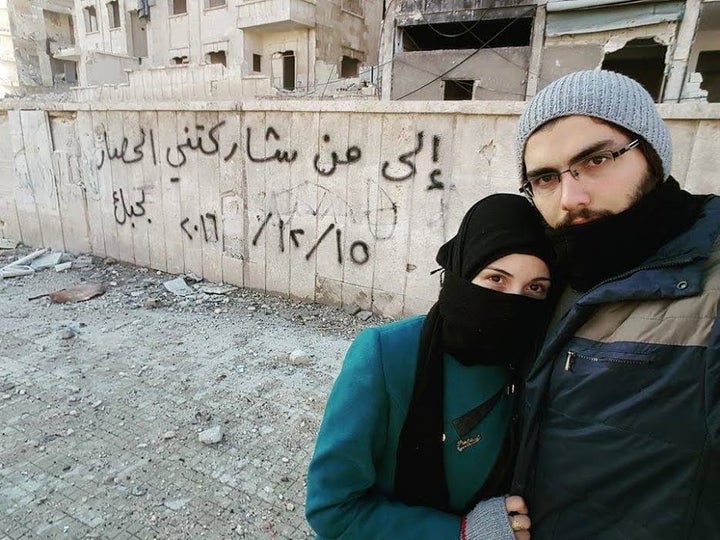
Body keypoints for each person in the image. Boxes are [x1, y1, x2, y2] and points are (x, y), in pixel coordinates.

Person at [512, 69, 720, 539]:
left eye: (598, 159)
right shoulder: (553, 273)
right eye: (545, 178)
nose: (572, 197)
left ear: (651, 154)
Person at [306, 194, 556, 539]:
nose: (512, 303)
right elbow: (332, 509)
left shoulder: (531, 363)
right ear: (461, 273)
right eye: (496, 279)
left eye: (535, 288)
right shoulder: (386, 354)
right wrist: (460, 533)